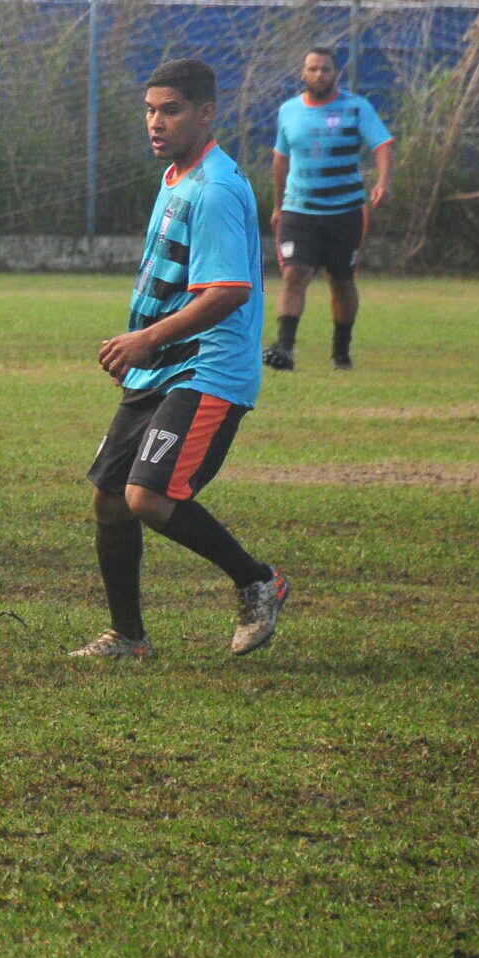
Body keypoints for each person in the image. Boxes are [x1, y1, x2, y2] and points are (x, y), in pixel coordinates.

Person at [74, 57, 287, 661]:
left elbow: (227, 292)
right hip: (163, 366)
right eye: (149, 110)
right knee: (110, 498)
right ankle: (129, 637)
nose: (156, 122)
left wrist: (146, 339)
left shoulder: (215, 188)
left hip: (207, 367)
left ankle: (257, 580)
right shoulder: (177, 177)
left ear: (205, 114)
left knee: (149, 495)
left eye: (170, 110)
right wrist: (145, 346)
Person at [263, 48, 393, 372]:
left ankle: (340, 352)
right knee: (295, 274)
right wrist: (277, 205)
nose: (319, 74)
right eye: (313, 68)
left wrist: (382, 182)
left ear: (336, 73)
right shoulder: (289, 111)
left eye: (325, 69)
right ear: (303, 73)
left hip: (344, 211)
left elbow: (383, 144)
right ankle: (285, 349)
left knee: (342, 281)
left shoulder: (355, 107)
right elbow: (280, 159)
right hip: (298, 210)